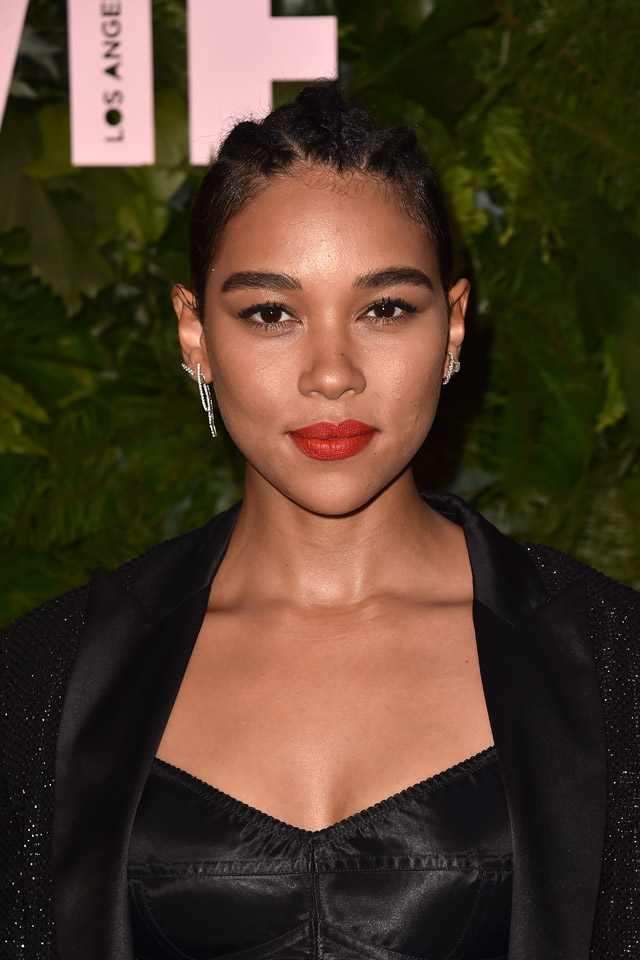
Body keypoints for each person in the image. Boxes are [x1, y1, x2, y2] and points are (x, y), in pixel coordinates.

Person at [1, 85, 638, 960]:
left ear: (453, 326)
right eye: (271, 313)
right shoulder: (48, 678)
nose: (331, 373)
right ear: (195, 333)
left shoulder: (613, 662)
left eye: (385, 309)